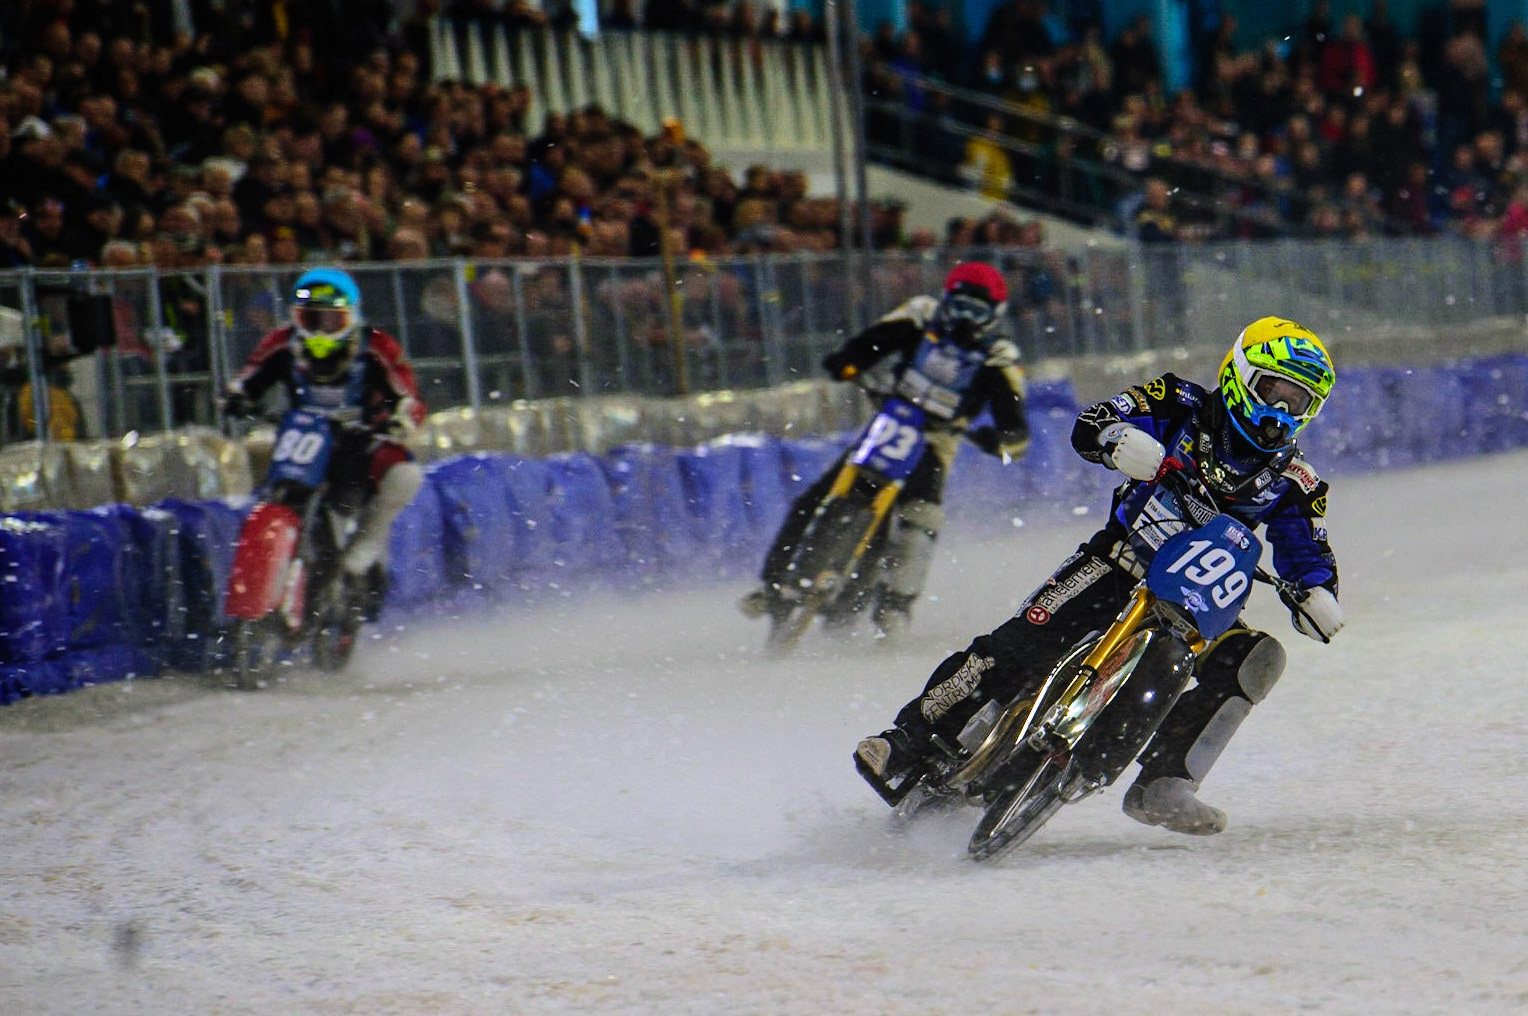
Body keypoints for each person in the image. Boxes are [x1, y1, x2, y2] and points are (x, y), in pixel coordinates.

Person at [856, 317, 1344, 834]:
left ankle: (1165, 784)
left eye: (1300, 401)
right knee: (1020, 643)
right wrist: (1115, 439)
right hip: (1117, 561)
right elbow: (1094, 420)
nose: (1283, 411)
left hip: (1198, 607)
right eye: (1277, 390)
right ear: (1242, 374)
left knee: (1258, 658)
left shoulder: (1297, 482)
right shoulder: (1179, 400)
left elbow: (1308, 549)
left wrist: (1318, 592)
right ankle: (907, 738)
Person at [739, 262, 1031, 640]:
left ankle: (896, 605)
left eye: (976, 310)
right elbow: (874, 341)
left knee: (921, 519)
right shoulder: (921, 316)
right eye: (959, 305)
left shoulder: (999, 355)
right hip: (891, 418)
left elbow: (1016, 427)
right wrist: (849, 362)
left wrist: (1002, 441)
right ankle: (774, 582)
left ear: (994, 315)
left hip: (939, 439)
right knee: (814, 497)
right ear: (945, 299)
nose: (964, 318)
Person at [222, 268, 426, 619]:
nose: (322, 327)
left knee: (404, 474)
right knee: (266, 484)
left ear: (351, 315)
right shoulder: (281, 342)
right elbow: (249, 377)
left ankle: (367, 546)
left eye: (332, 317)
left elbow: (406, 393)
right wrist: (237, 397)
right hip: (301, 438)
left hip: (360, 440)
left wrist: (402, 417)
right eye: (313, 317)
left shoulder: (376, 344)